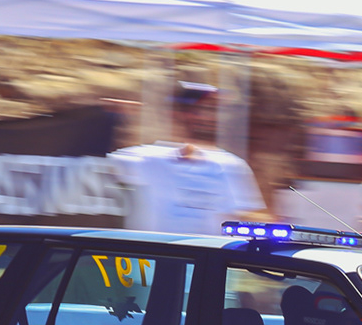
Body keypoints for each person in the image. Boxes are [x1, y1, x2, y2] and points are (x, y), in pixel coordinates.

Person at [112, 81, 266, 235]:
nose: (211, 117)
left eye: (215, 110)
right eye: (203, 109)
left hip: (208, 250)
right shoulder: (143, 160)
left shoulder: (231, 166)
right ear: (177, 113)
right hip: (154, 249)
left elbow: (245, 219)